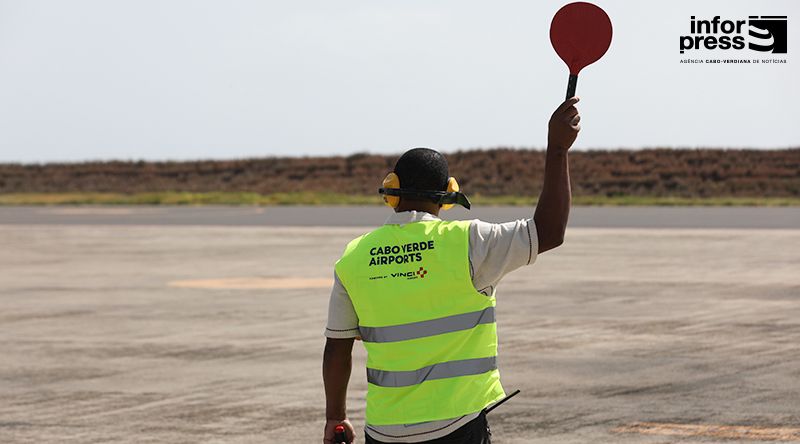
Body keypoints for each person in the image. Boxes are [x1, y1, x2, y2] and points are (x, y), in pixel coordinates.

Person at [323, 97, 581, 444]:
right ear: (448, 195)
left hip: (383, 431)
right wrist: (558, 148)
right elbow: (548, 231)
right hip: (456, 428)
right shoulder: (469, 243)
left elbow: (337, 348)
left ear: (392, 189)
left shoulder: (354, 257)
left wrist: (336, 418)